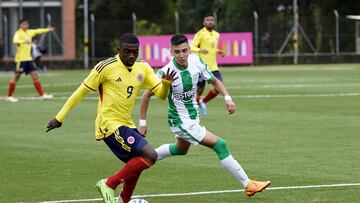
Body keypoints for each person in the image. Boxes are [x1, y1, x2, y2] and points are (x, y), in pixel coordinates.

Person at [46, 33, 177, 203]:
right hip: (108, 124)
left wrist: (166, 84)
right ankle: (108, 183)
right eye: (127, 51)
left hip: (126, 124)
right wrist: (59, 118)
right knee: (150, 155)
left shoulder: (143, 68)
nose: (131, 55)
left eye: (135, 52)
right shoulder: (105, 67)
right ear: (118, 50)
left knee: (135, 164)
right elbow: (80, 92)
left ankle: (124, 201)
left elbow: (160, 94)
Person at [139, 34, 271, 198]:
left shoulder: (196, 61)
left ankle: (137, 162)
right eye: (177, 52)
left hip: (192, 117)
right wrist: (142, 123)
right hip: (181, 122)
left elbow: (214, 80)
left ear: (189, 49)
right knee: (220, 145)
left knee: (180, 149)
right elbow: (145, 96)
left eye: (184, 51)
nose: (181, 55)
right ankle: (248, 184)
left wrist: (228, 98)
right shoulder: (165, 72)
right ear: (170, 52)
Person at [5, 19, 54, 102]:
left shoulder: (29, 32)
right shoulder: (18, 33)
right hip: (21, 60)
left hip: (29, 59)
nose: (25, 25)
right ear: (20, 25)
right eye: (23, 24)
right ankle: (9, 96)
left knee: (35, 76)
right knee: (16, 77)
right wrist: (24, 41)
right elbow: (15, 40)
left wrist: (48, 29)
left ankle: (42, 95)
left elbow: (38, 31)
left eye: (26, 24)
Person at [190, 13, 225, 116]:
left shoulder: (216, 34)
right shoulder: (200, 34)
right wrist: (200, 49)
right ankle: (194, 111)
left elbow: (212, 48)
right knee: (197, 93)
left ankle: (203, 102)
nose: (210, 22)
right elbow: (191, 47)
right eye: (207, 20)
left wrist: (219, 51)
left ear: (214, 22)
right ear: (204, 22)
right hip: (201, 67)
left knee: (219, 86)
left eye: (211, 20)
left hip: (213, 67)